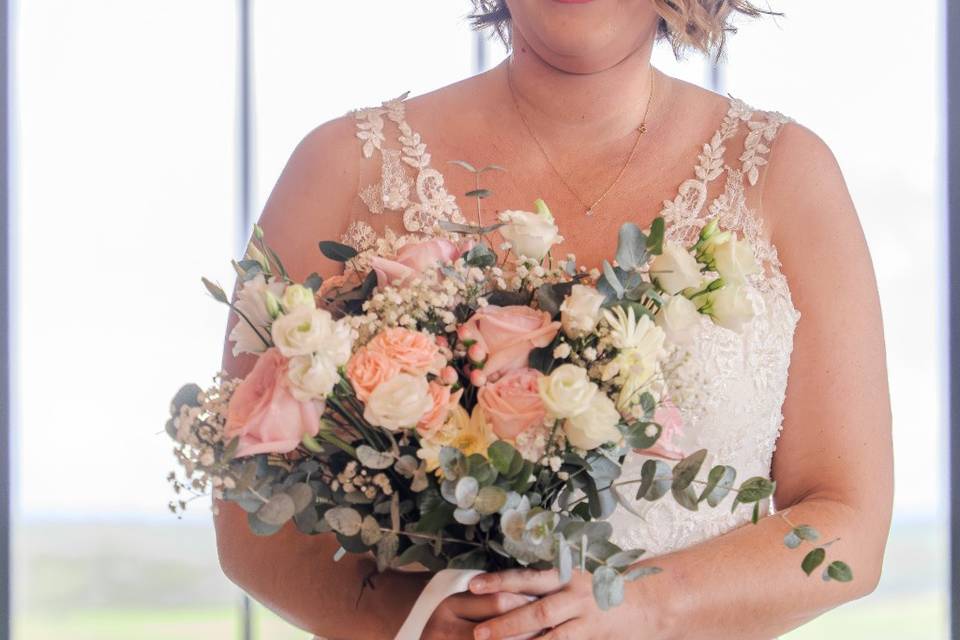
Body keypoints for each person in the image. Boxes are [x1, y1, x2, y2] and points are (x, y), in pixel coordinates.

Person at [214, 1, 894, 638]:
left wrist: (646, 608)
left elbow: (848, 525)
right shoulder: (341, 165)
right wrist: (420, 620)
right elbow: (248, 514)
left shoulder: (784, 174)